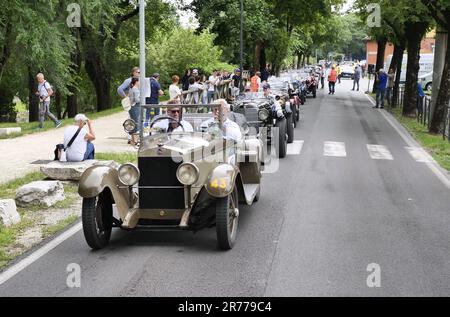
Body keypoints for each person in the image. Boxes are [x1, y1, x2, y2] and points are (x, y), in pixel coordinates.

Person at [128, 77, 141, 147]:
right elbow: (137, 100)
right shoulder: (136, 89)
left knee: (133, 123)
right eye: (139, 82)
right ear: (136, 82)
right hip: (135, 107)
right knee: (136, 123)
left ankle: (133, 140)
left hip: (132, 107)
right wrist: (143, 98)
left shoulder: (131, 88)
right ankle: (135, 141)